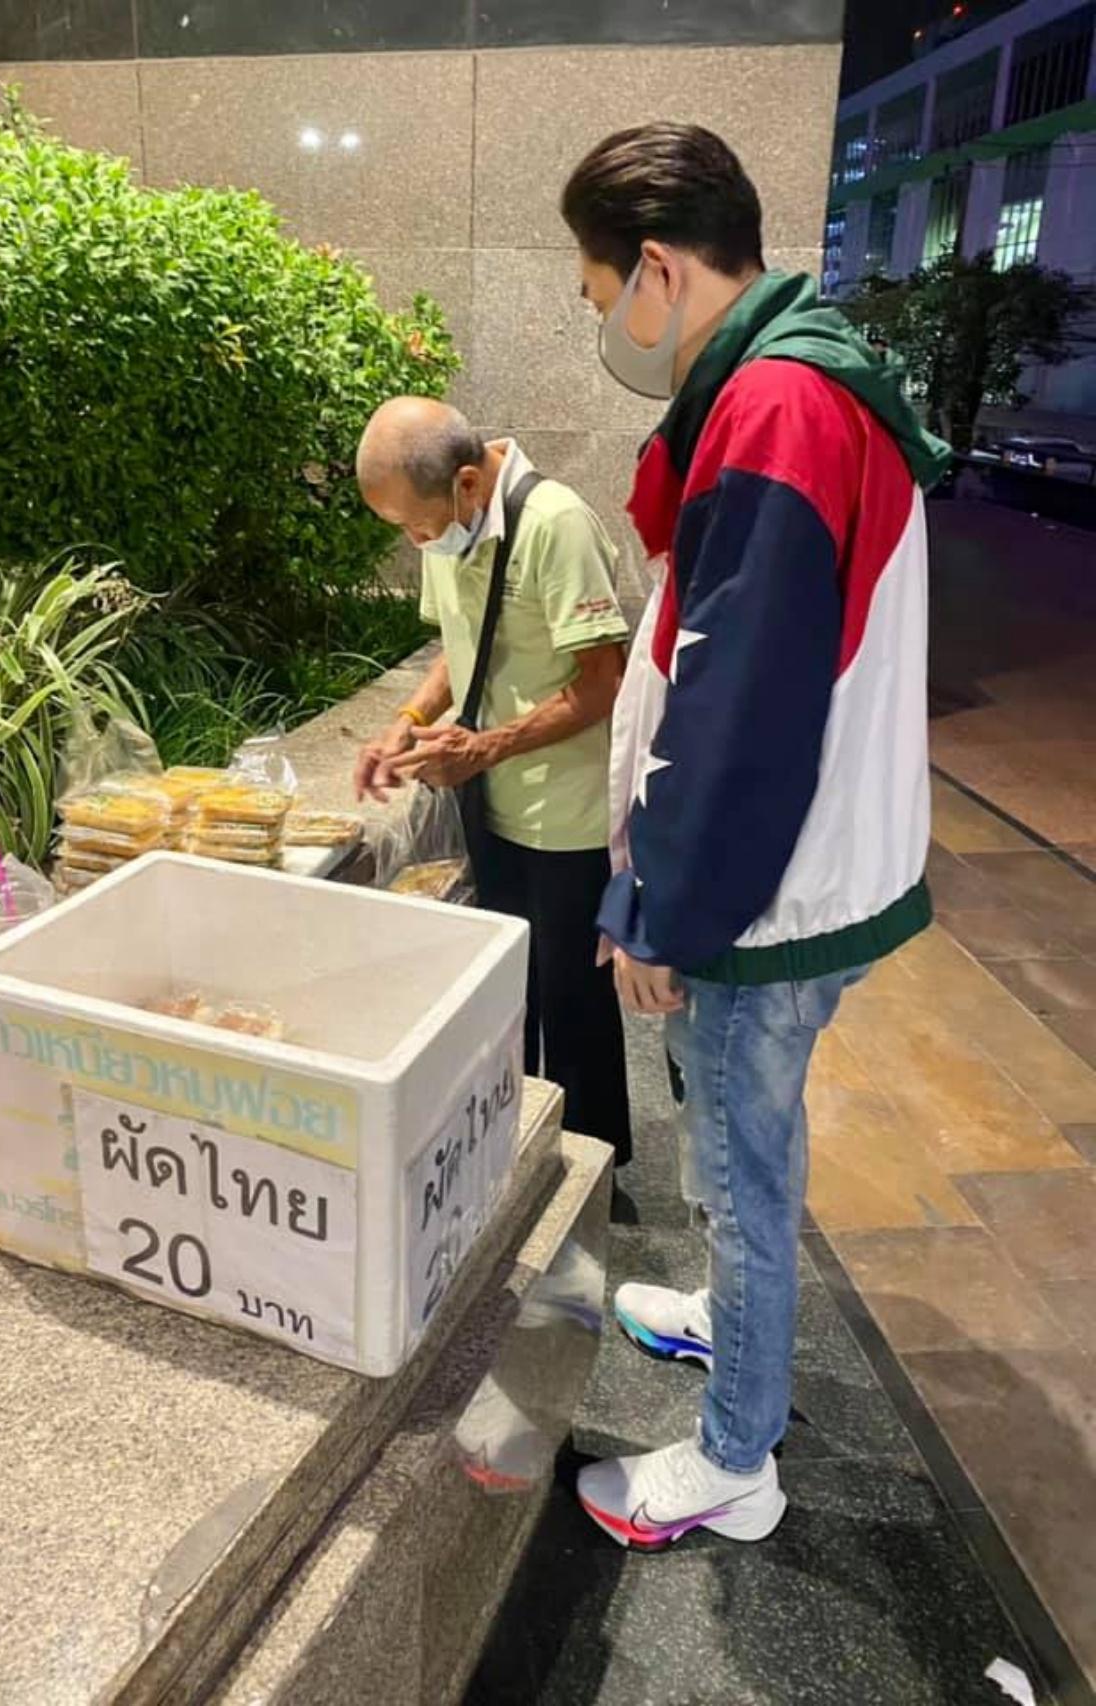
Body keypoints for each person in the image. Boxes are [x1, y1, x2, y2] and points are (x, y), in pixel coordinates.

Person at [558, 124, 950, 1547]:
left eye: (601, 292)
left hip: (767, 891)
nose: (607, 323)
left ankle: (734, 1459)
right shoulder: (795, 382)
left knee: (740, 1171)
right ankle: (733, 1326)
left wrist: (660, 911)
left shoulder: (777, 407)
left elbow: (737, 708)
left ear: (659, 268)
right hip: (801, 866)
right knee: (741, 1150)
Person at [353, 397, 633, 1163]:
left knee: (574, 1004)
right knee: (507, 994)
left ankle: (593, 1169)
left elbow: (603, 682)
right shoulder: (452, 524)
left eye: (416, 526)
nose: (415, 542)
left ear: (468, 484)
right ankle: (512, 1152)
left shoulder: (555, 525)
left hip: (566, 813)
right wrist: (408, 720)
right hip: (491, 801)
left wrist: (487, 747)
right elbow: (460, 647)